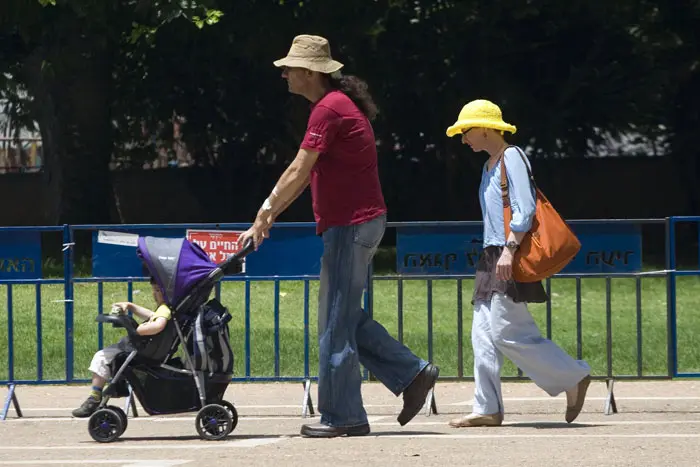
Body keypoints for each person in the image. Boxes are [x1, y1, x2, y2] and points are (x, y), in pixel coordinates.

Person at [237, 34, 439, 438]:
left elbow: (298, 168)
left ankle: (343, 415)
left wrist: (264, 212)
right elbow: (304, 174)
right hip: (355, 224)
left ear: (310, 73)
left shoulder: (328, 110)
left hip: (351, 226)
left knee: (335, 322)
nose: (285, 74)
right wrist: (269, 215)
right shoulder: (334, 106)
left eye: (290, 68)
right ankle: (412, 373)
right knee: (343, 317)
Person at [444, 99, 591, 427]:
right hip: (492, 254)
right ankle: (487, 407)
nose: (463, 138)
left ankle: (573, 375)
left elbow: (524, 210)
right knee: (482, 333)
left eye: (466, 131)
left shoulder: (512, 157)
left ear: (484, 128)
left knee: (506, 331)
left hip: (508, 252)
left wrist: (509, 250)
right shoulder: (488, 166)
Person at [72, 277, 172, 418]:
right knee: (109, 355)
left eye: (157, 290)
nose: (154, 294)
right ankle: (114, 386)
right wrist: (131, 306)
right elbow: (152, 315)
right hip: (141, 348)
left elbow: (158, 324)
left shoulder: (165, 309)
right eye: (153, 290)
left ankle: (94, 397)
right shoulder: (166, 308)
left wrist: (137, 331)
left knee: (101, 357)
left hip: (139, 351)